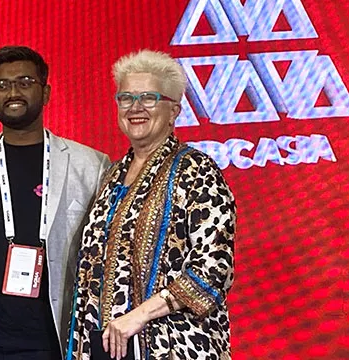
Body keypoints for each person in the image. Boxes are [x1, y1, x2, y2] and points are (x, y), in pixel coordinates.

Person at [67, 50, 236, 360]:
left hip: (175, 348)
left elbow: (214, 271)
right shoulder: (112, 175)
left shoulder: (196, 170)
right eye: (126, 98)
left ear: (174, 111)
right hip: (108, 348)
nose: (135, 107)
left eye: (148, 98)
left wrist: (139, 316)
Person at [0, 45, 111, 360]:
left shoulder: (90, 164)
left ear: (46, 92)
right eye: (2, 84)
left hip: (55, 338)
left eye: (25, 81)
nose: (14, 92)